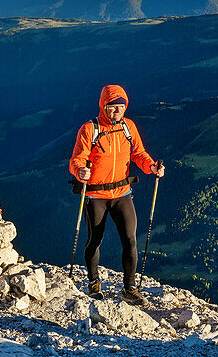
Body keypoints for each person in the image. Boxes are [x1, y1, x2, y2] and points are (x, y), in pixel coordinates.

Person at [69, 84, 165, 305]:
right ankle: (93, 283)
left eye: (121, 107)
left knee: (130, 240)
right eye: (112, 107)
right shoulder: (90, 129)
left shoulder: (128, 127)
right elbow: (77, 158)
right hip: (95, 194)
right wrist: (80, 170)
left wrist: (151, 167)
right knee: (95, 239)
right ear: (104, 107)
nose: (117, 111)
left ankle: (130, 288)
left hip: (122, 193)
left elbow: (139, 153)